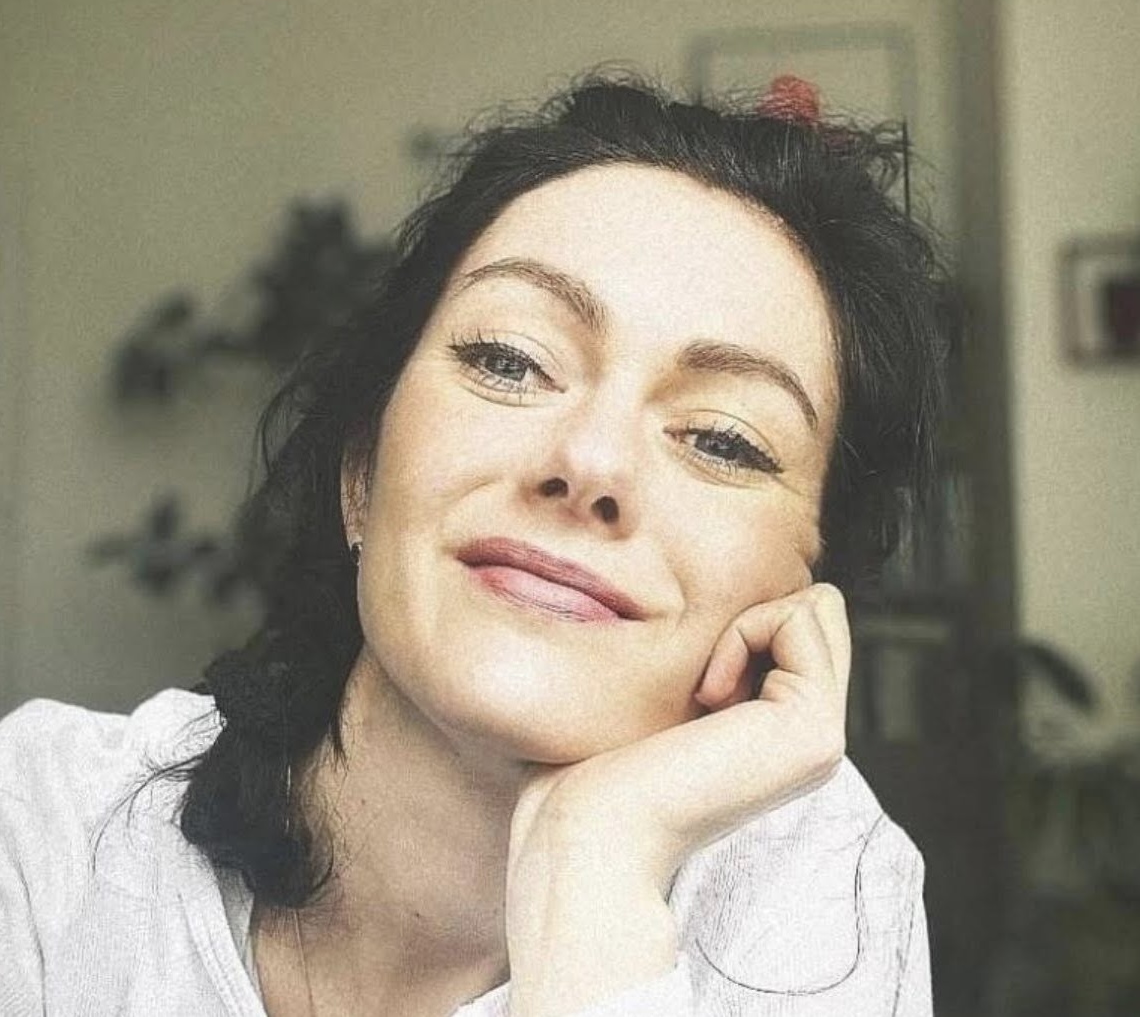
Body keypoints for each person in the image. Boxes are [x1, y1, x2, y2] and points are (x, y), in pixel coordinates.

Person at [0, 73, 944, 1016]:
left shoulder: (826, 899)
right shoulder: (43, 830)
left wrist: (593, 870)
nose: (590, 463)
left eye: (722, 440)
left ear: (803, 589)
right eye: (510, 361)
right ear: (361, 469)